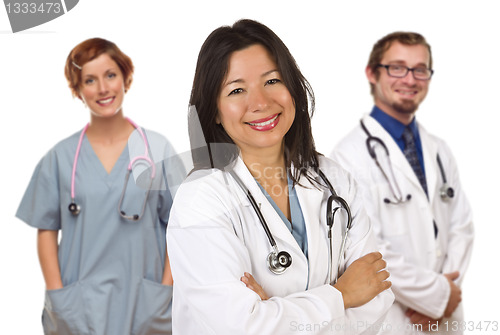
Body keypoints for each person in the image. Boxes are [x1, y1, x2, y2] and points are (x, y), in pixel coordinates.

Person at [167, 19, 394, 334]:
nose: (260, 102)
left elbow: (376, 296)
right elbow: (239, 327)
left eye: (272, 81)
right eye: (236, 90)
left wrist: (274, 312)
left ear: (293, 87)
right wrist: (342, 294)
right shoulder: (201, 199)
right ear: (215, 111)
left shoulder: (333, 179)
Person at [16, 38, 185, 335]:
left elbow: (180, 226)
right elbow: (46, 231)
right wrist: (58, 297)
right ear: (77, 89)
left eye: (110, 75)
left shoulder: (157, 150)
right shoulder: (60, 157)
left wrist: (165, 290)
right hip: (79, 306)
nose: (103, 88)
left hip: (144, 303)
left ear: (125, 77)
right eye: (90, 80)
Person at [330, 32, 474, 334]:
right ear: (372, 73)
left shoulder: (439, 149)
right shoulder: (347, 157)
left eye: (420, 69)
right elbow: (368, 248)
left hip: (446, 318)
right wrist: (435, 297)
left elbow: (461, 227)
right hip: (395, 318)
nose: (410, 79)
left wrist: (448, 292)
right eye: (397, 67)